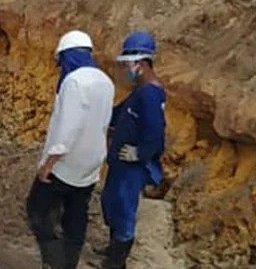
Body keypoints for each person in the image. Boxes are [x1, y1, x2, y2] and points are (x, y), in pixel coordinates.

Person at [26, 30, 115, 269]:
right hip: (91, 165)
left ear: (67, 57)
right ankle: (68, 263)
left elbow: (68, 127)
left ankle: (55, 263)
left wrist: (49, 163)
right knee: (75, 218)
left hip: (64, 164)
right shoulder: (106, 81)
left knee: (37, 210)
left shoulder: (74, 82)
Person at [98, 31, 166, 269]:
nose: (125, 70)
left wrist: (140, 154)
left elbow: (156, 134)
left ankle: (117, 262)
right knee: (112, 203)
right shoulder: (139, 92)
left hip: (132, 167)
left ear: (142, 65)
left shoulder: (150, 95)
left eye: (128, 65)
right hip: (120, 163)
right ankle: (112, 248)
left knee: (124, 209)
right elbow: (119, 114)